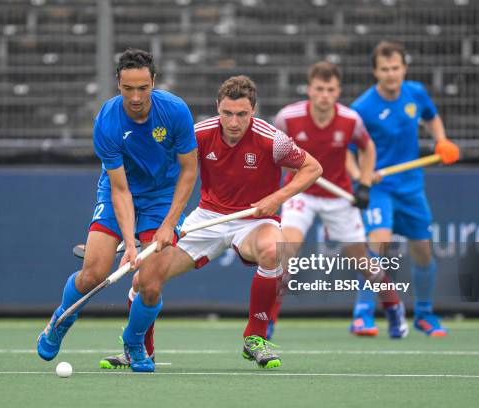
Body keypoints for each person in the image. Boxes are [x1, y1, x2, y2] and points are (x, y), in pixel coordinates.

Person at [99, 75, 322, 371]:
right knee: (144, 279)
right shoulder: (199, 134)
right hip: (207, 219)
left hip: (255, 219)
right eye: (227, 113)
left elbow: (312, 167)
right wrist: (164, 224)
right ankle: (140, 350)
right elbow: (168, 172)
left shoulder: (272, 140)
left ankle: (255, 338)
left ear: (253, 111)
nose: (233, 122)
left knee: (274, 251)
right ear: (217, 107)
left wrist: (276, 198)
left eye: (242, 114)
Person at [36, 48, 198, 373]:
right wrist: (130, 243)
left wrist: (170, 222)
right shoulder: (107, 121)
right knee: (94, 273)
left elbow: (189, 172)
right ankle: (62, 318)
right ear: (118, 85)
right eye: (128, 89)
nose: (136, 97)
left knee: (151, 284)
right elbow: (120, 190)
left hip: (162, 196)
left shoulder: (176, 112)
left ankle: (134, 342)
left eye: (142, 87)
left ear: (153, 82)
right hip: (118, 193)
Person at [268, 61, 407, 340]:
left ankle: (393, 307)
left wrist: (365, 184)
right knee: (284, 252)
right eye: (319, 89)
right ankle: (267, 323)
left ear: (338, 91)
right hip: (301, 193)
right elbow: (271, 151)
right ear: (309, 89)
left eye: (330, 89)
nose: (324, 95)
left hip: (338, 196)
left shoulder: (350, 119)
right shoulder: (287, 118)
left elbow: (368, 149)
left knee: (362, 261)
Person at [348, 41, 460, 337]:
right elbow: (347, 150)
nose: (391, 74)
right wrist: (361, 175)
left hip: (411, 187)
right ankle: (362, 315)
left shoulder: (416, 93)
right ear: (375, 72)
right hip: (379, 188)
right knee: (378, 243)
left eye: (395, 68)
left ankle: (424, 315)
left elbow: (431, 116)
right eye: (384, 69)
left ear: (404, 68)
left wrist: (441, 140)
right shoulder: (362, 108)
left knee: (423, 252)